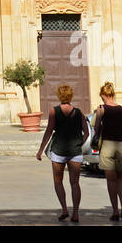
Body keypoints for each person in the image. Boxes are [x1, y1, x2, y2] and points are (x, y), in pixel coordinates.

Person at [36, 84, 89, 222]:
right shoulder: (79, 112)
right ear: (71, 95)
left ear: (59, 96)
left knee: (58, 182)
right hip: (75, 152)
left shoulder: (54, 111)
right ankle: (75, 213)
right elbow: (87, 132)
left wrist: (41, 150)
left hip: (58, 151)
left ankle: (65, 209)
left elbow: (49, 131)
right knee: (75, 183)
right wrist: (79, 143)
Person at [94, 82, 122, 221]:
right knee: (120, 178)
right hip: (121, 145)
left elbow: (96, 128)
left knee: (110, 180)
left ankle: (115, 211)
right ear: (113, 94)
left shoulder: (101, 109)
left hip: (108, 145)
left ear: (103, 95)